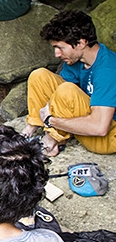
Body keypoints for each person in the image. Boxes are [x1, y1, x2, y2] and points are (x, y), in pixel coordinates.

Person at [23, 10, 116, 156]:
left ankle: (51, 141)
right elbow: (58, 98)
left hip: (108, 136)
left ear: (81, 42)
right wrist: (48, 111)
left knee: (67, 90)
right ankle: (30, 130)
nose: (57, 54)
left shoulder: (108, 70)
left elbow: (100, 127)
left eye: (60, 48)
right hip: (88, 116)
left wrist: (51, 120)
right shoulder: (77, 59)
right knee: (39, 75)